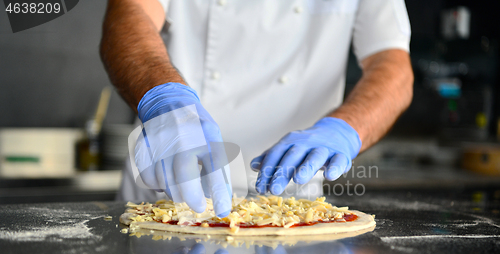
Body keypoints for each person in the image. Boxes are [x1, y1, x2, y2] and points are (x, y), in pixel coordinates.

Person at [100, 0, 414, 217]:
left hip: (291, 205)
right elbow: (129, 13)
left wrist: (344, 129)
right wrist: (163, 98)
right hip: (166, 189)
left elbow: (393, 66)